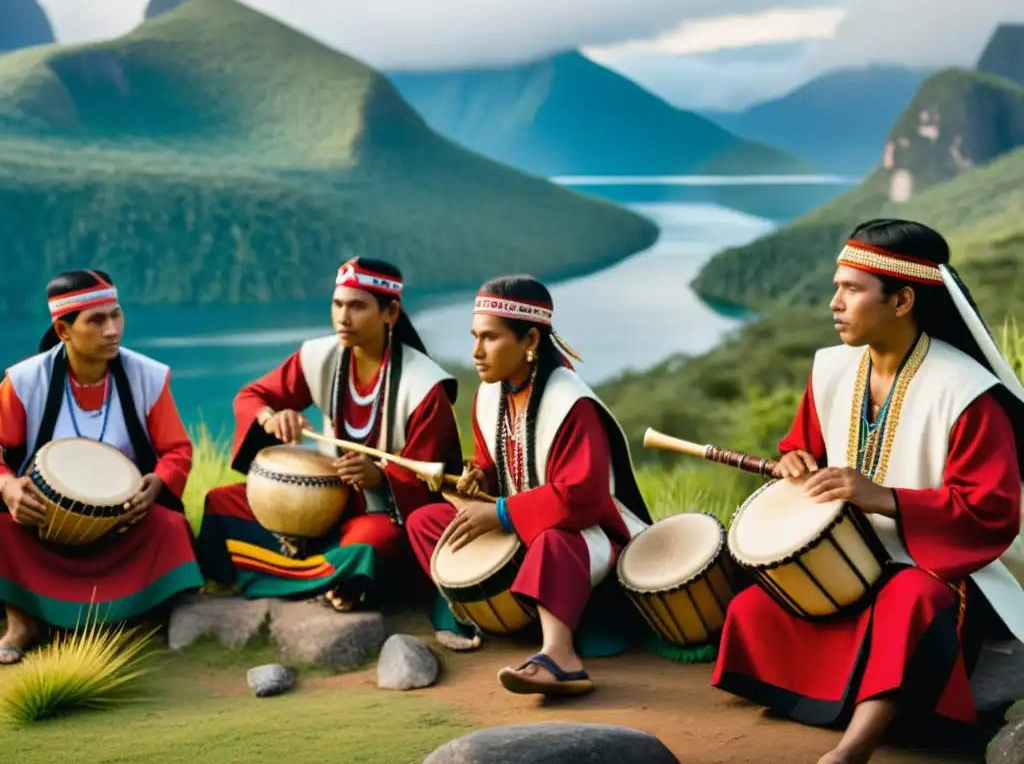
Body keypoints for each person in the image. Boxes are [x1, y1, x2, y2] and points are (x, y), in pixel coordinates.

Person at [711, 219, 1024, 763]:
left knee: (909, 604)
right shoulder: (831, 369)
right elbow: (803, 444)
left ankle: (856, 745)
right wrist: (793, 459)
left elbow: (991, 511)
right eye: (836, 287)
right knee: (754, 608)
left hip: (945, 567)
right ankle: (830, 698)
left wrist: (887, 497)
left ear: (902, 300)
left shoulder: (969, 394)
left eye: (851, 289)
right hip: (853, 554)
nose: (835, 302)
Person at [405, 275, 652, 695]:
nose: (476, 352)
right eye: (474, 337)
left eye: (490, 338)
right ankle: (487, 614)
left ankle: (560, 656)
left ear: (530, 339)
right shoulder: (491, 394)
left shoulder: (570, 404)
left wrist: (501, 512)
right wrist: (480, 477)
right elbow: (496, 464)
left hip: (585, 535)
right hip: (521, 524)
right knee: (428, 523)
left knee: (552, 542)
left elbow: (583, 498)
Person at [197, 257, 463, 612]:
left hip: (379, 513)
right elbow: (252, 397)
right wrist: (273, 418)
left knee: (371, 544)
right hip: (321, 499)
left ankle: (302, 574)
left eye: (356, 306)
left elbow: (432, 478)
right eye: (337, 304)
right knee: (222, 502)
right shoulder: (319, 356)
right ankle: (332, 579)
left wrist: (380, 477)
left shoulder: (424, 386)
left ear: (391, 312)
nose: (343, 317)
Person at [0, 270, 204, 665]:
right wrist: (7, 486)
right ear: (63, 330)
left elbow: (177, 449)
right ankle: (21, 621)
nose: (113, 330)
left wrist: (160, 481)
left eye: (117, 315)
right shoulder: (24, 382)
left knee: (170, 527)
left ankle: (140, 615)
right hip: (44, 525)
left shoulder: (148, 376)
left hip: (121, 522)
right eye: (96, 320)